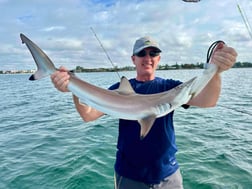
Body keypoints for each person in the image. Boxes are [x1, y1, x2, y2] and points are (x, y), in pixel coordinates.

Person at [51, 36, 237, 189]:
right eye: (142, 53)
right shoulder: (118, 89)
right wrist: (72, 90)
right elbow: (88, 115)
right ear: (133, 59)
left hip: (168, 176)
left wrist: (216, 72)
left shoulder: (169, 86)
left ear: (159, 59)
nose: (148, 57)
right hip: (129, 176)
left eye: (153, 53)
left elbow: (208, 101)